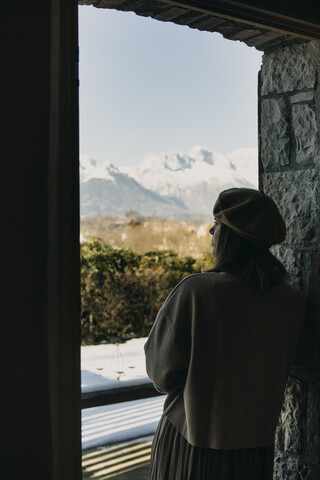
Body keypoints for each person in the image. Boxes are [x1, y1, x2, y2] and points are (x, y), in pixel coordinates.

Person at [144, 187, 305, 480]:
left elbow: (159, 372)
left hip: (192, 442)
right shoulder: (291, 301)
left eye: (217, 225)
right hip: (255, 452)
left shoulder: (195, 292)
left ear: (231, 237)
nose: (210, 230)